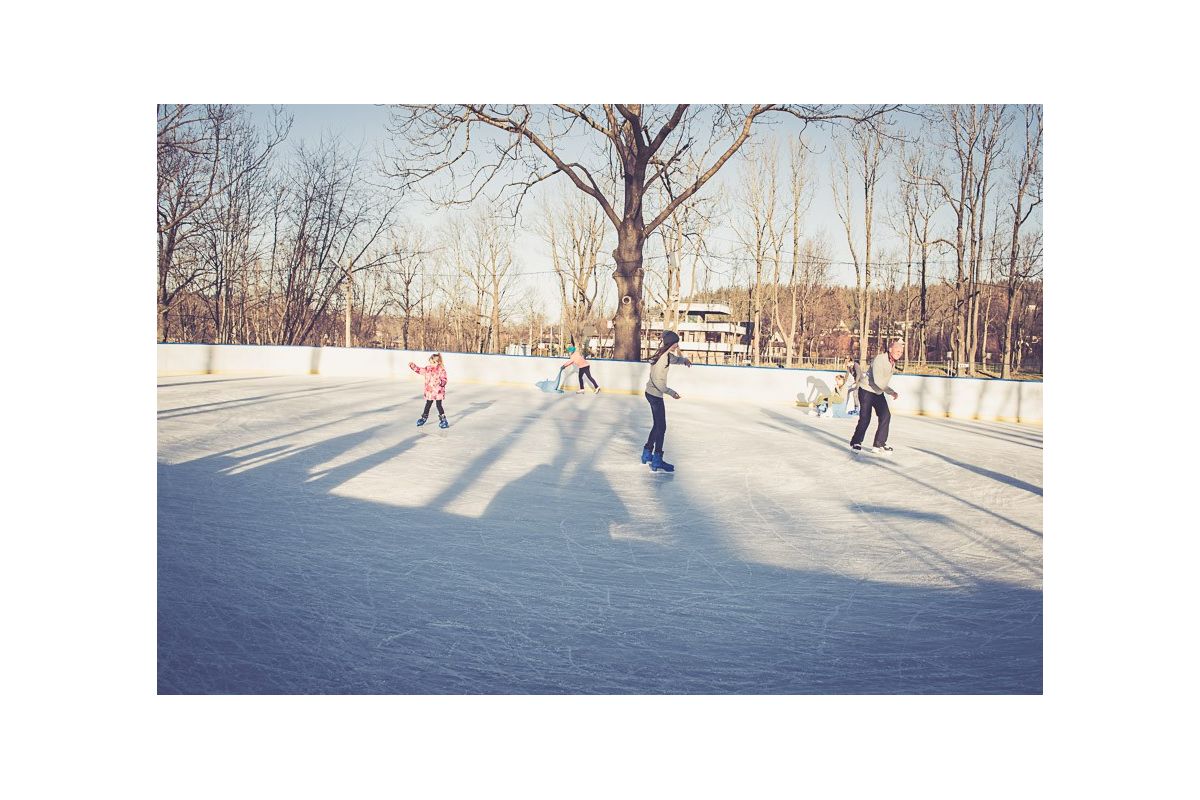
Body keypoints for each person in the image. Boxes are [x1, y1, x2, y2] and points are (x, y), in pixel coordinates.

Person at [642, 330, 692, 472]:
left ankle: (647, 453)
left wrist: (684, 360)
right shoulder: (663, 359)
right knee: (661, 427)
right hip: (655, 395)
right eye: (675, 343)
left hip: (651, 393)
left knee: (657, 425)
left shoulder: (664, 355)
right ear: (670, 343)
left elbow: (674, 359)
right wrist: (671, 392)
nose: (677, 345)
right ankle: (657, 460)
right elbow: (659, 383)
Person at [849, 339, 904, 452]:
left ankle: (879, 443)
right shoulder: (880, 359)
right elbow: (878, 381)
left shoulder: (892, 362)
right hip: (866, 390)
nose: (900, 353)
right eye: (897, 351)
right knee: (865, 418)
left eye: (901, 352)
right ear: (890, 350)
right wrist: (891, 392)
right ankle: (856, 442)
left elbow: (881, 383)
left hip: (878, 392)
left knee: (885, 415)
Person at [408, 353, 449, 429]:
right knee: (428, 404)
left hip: (438, 392)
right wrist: (413, 366)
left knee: (439, 405)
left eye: (432, 363)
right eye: (430, 363)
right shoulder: (428, 369)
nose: (431, 364)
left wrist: (440, 382)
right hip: (430, 392)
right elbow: (420, 370)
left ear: (438, 362)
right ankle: (424, 417)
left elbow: (444, 380)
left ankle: (443, 420)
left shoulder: (441, 370)